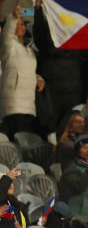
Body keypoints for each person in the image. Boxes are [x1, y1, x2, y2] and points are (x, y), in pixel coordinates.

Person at [1, 7, 44, 135]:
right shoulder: (8, 46)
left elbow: (29, 71)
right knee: (17, 138)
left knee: (26, 139)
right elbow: (6, 34)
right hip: (13, 103)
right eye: (17, 24)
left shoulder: (30, 49)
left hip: (29, 104)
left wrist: (39, 79)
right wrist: (13, 17)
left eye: (22, 24)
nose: (20, 27)